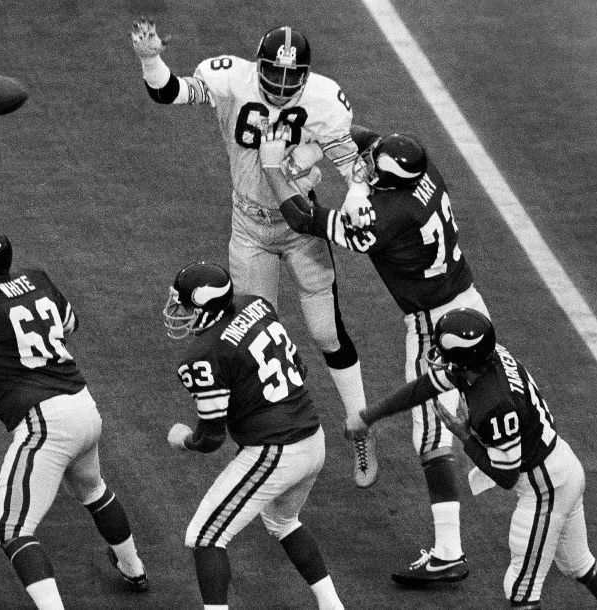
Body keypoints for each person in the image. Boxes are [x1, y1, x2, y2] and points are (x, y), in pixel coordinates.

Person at [130, 19, 380, 488]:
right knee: (257, 337)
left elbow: (353, 166)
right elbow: (170, 93)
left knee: (327, 333)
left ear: (305, 74)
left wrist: (355, 198)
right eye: (275, 74)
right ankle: (276, 439)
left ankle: (359, 425)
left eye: (292, 77)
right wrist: (150, 57)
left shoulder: (324, 100)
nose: (283, 86)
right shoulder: (231, 78)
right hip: (248, 226)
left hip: (302, 224)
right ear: (258, 65)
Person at [259, 125, 491, 584]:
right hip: (468, 301)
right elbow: (369, 139)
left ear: (390, 182)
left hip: (436, 324)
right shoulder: (422, 173)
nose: (365, 165)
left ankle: (449, 552)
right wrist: (319, 128)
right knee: (469, 414)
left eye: (374, 169)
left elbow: (304, 218)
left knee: (432, 438)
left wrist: (272, 165)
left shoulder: (384, 218)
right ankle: (495, 475)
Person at [0, 226, 149, 609]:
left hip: (45, 420)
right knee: (92, 488)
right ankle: (133, 568)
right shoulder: (36, 280)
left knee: (10, 530)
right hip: (83, 405)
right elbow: (69, 325)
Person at [351, 308, 597, 609]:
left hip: (544, 487)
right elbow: (426, 386)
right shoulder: (489, 357)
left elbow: (506, 475)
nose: (442, 359)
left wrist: (465, 438)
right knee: (580, 565)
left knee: (521, 590)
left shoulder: (494, 404)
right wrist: (369, 416)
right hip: (560, 465)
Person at [163, 261, 346, 610]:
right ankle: (331, 605)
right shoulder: (256, 305)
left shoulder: (203, 355)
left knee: (204, 537)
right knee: (282, 521)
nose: (181, 312)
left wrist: (183, 439)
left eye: (187, 305)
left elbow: (211, 438)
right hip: (312, 435)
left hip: (276, 450)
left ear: (205, 308)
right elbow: (300, 368)